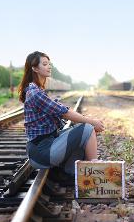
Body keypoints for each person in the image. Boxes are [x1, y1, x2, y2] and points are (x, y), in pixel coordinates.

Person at [18, 51, 104, 183]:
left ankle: (70, 173)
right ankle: (94, 173)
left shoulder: (37, 90)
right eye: (45, 64)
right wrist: (92, 121)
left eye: (49, 64)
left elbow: (63, 113)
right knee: (87, 129)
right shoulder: (35, 93)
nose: (49, 66)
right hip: (42, 152)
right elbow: (64, 112)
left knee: (82, 134)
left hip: (44, 148)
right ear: (34, 68)